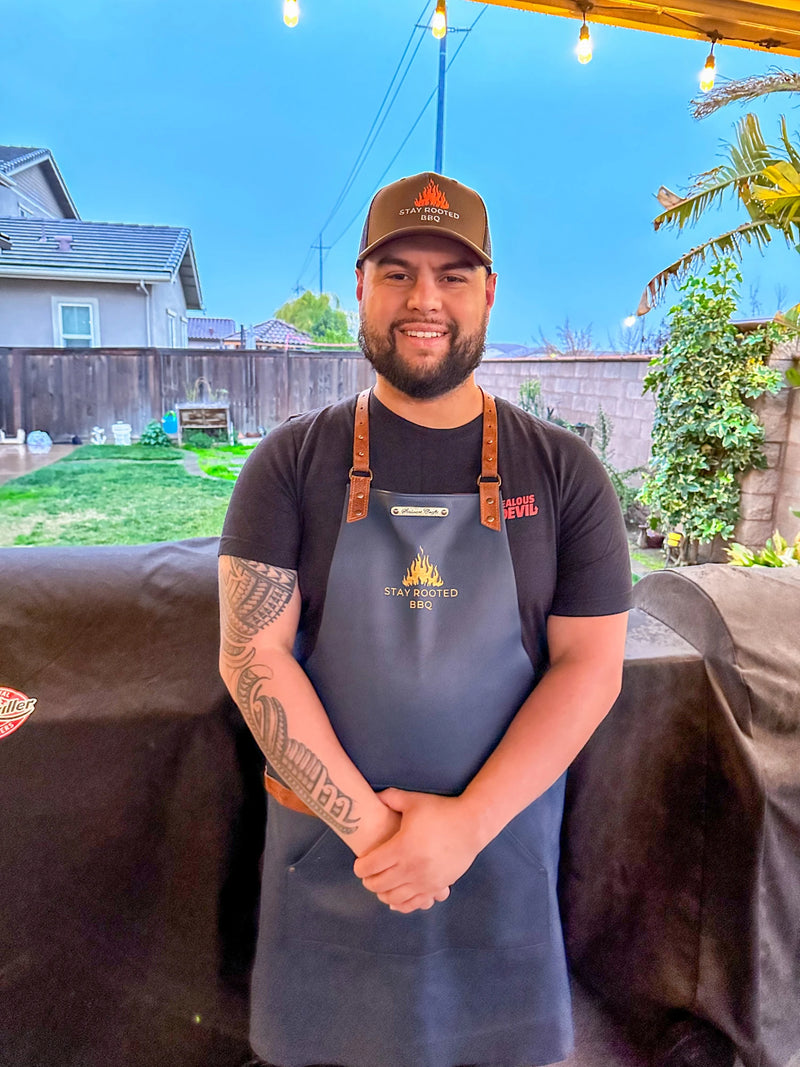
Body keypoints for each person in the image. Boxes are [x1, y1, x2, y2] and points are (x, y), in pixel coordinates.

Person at [218, 171, 631, 1067]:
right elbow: (253, 658)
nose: (424, 300)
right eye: (398, 271)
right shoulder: (287, 466)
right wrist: (382, 841)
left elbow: (591, 666)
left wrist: (464, 828)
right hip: (331, 866)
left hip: (498, 867)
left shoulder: (564, 474)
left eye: (451, 275)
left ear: (488, 292)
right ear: (359, 287)